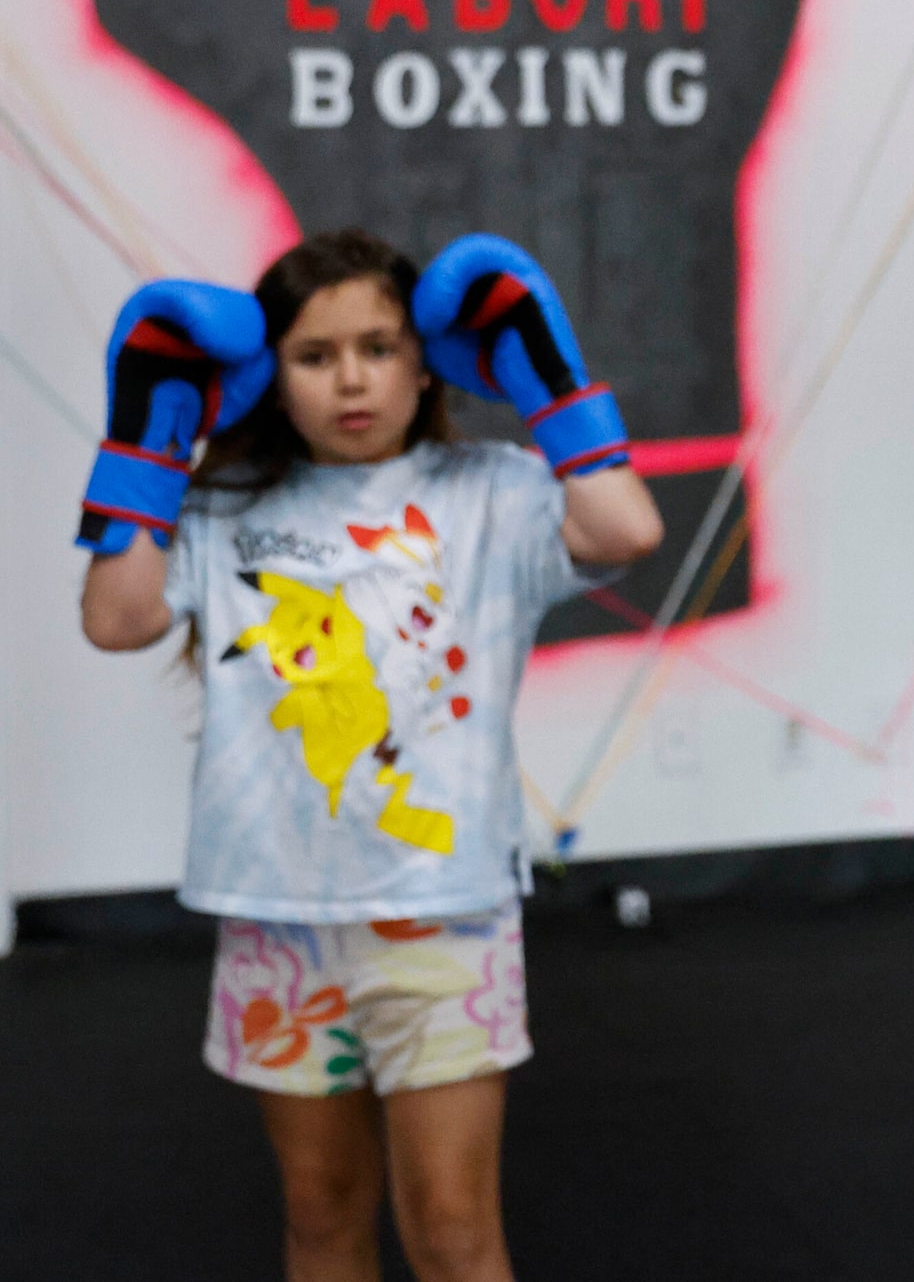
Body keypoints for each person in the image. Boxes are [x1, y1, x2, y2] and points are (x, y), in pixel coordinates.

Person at [76, 228, 663, 1282]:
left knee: (451, 1228)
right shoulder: (219, 508)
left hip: (442, 908)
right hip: (278, 915)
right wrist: (145, 443)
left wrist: (552, 384)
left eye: (380, 346)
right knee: (320, 1220)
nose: (352, 378)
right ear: (269, 377)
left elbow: (625, 529)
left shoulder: (493, 488)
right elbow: (117, 621)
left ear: (426, 357)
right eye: (314, 355)